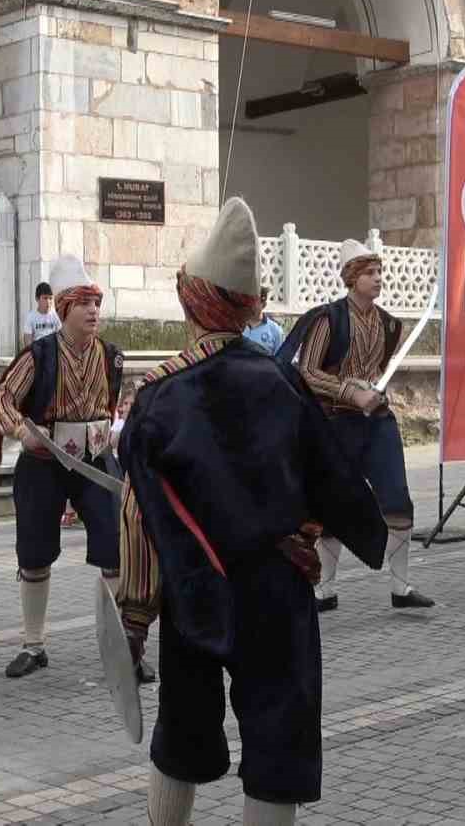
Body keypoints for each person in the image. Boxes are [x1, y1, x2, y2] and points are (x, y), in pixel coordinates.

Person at [116, 197, 388, 826]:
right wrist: (312, 536)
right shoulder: (283, 383)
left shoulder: (158, 397)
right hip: (278, 591)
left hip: (195, 593)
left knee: (181, 735)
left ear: (193, 302)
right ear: (244, 306)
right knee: (276, 742)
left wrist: (132, 620)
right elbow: (327, 478)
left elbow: (139, 518)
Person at [0, 255, 134, 680]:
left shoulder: (112, 357)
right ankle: (34, 646)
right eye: (84, 303)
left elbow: (112, 406)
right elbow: (1, 400)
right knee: (34, 552)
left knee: (116, 547)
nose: (93, 312)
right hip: (44, 463)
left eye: (97, 303)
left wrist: (115, 431)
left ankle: (123, 648)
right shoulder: (38, 356)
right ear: (65, 308)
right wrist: (21, 432)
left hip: (96, 464)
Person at [277, 240, 434, 612]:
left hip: (376, 424)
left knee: (397, 500)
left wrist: (372, 393)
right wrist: (350, 391)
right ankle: (324, 590)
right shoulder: (328, 320)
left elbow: (377, 372)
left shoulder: (389, 324)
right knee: (333, 506)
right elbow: (308, 371)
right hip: (334, 424)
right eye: (369, 273)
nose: (378, 279)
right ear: (352, 278)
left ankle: (401, 586)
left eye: (379, 272)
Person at [241, 287, 284, 354]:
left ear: (263, 305)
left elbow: (280, 360)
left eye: (253, 302)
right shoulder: (238, 326)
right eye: (248, 301)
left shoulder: (275, 330)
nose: (249, 305)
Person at [22, 281, 60, 349]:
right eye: (45, 298)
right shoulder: (31, 317)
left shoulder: (55, 315)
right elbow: (27, 338)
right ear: (37, 299)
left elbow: (61, 336)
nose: (48, 302)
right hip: (38, 350)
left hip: (52, 349)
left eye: (50, 298)